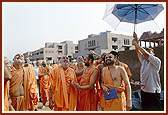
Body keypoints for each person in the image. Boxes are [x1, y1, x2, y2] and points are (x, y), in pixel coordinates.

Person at [132, 32, 162, 111]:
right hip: (144, 90)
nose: (148, 52)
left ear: (153, 54)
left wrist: (136, 44)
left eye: (150, 51)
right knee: (145, 109)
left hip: (153, 91)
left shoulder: (156, 61)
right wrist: (136, 40)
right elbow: (139, 52)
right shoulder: (144, 61)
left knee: (155, 110)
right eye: (148, 50)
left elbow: (145, 54)